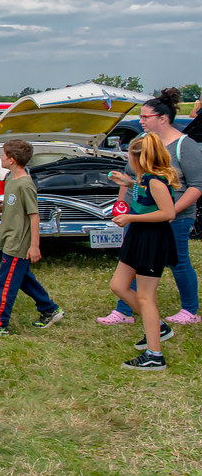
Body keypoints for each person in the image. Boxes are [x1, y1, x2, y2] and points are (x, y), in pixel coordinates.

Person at [97, 88, 202, 326]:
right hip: (140, 214)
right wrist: (122, 204)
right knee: (132, 258)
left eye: (146, 117)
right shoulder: (141, 143)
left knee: (179, 261)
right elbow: (131, 176)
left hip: (176, 217)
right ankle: (124, 311)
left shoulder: (185, 146)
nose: (141, 120)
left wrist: (171, 212)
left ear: (162, 119)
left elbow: (196, 186)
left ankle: (189, 310)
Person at [0, 139, 64, 336]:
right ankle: (49, 309)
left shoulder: (25, 185)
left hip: (19, 243)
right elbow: (13, 207)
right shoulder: (10, 179)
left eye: (3, 155)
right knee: (23, 279)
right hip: (8, 239)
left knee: (5, 283)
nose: (1, 157)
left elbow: (34, 217)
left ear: (12, 160)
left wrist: (34, 246)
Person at [108, 133, 179, 370]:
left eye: (130, 156)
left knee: (146, 297)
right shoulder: (144, 178)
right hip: (138, 235)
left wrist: (131, 216)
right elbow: (142, 191)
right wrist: (126, 182)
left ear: (140, 158)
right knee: (118, 285)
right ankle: (158, 327)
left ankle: (154, 355)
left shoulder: (156, 181)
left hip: (152, 240)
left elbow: (168, 213)